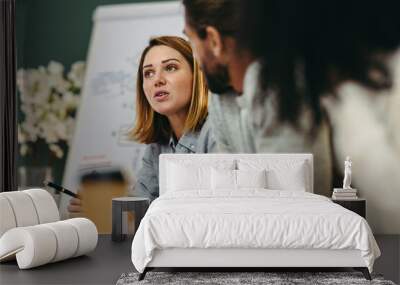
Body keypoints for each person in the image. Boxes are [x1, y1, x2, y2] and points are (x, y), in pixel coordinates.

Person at [182, 0, 333, 197]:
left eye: (191, 41)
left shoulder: (283, 88)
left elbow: (294, 202)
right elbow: (228, 185)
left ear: (214, 41)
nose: (195, 57)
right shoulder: (219, 97)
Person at [68, 36, 214, 212]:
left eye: (170, 67)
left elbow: (204, 213)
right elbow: (140, 208)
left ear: (197, 76)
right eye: (148, 73)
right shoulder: (157, 147)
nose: (157, 80)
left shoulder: (216, 133)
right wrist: (102, 207)